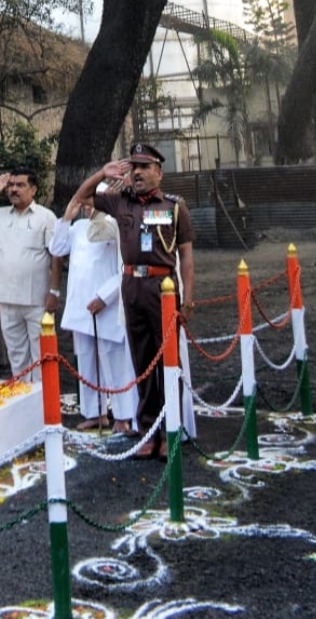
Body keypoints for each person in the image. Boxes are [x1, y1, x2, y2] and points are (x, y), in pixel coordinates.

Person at [69, 143, 195, 458]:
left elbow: (187, 257)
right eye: (133, 166)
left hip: (162, 286)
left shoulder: (174, 206)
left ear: (159, 172)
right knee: (142, 363)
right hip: (131, 285)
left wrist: (188, 298)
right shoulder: (121, 202)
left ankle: (171, 432)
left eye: (144, 166)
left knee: (168, 361)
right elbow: (81, 198)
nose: (137, 172)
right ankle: (148, 430)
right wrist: (102, 173)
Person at [48, 193, 137, 432]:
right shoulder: (78, 227)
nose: (88, 209)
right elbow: (56, 248)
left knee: (113, 361)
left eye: (92, 204)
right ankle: (95, 413)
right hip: (80, 306)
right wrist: (66, 217)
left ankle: (122, 415)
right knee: (86, 362)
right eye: (86, 205)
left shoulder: (117, 225)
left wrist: (105, 297)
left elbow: (125, 267)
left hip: (106, 305)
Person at [0, 168, 56, 382]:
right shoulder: (0, 215)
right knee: (17, 357)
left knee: (41, 356)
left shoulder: (46, 217)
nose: (14, 189)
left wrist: (54, 292)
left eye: (20, 185)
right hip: (8, 300)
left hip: (37, 300)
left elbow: (56, 257)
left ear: (33, 189)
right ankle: (24, 406)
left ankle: (43, 408)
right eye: (11, 185)